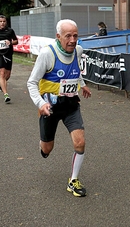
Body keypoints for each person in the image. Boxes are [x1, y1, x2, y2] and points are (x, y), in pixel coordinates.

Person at [26, 19, 92, 197]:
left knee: (80, 142)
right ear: (58, 36)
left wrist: (82, 84)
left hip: (71, 104)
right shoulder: (47, 54)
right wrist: (41, 104)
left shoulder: (78, 50)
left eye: (75, 36)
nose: (72, 40)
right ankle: (42, 145)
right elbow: (31, 82)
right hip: (50, 107)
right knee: (47, 149)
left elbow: (76, 70)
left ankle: (73, 181)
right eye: (68, 36)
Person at [0, 15, 18, 103]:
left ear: (6, 22)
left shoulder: (10, 31)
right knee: (2, 73)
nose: (2, 23)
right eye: (0, 21)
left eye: (4, 21)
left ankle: (1, 82)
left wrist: (11, 42)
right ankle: (6, 95)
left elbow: (16, 41)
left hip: (8, 54)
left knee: (7, 76)